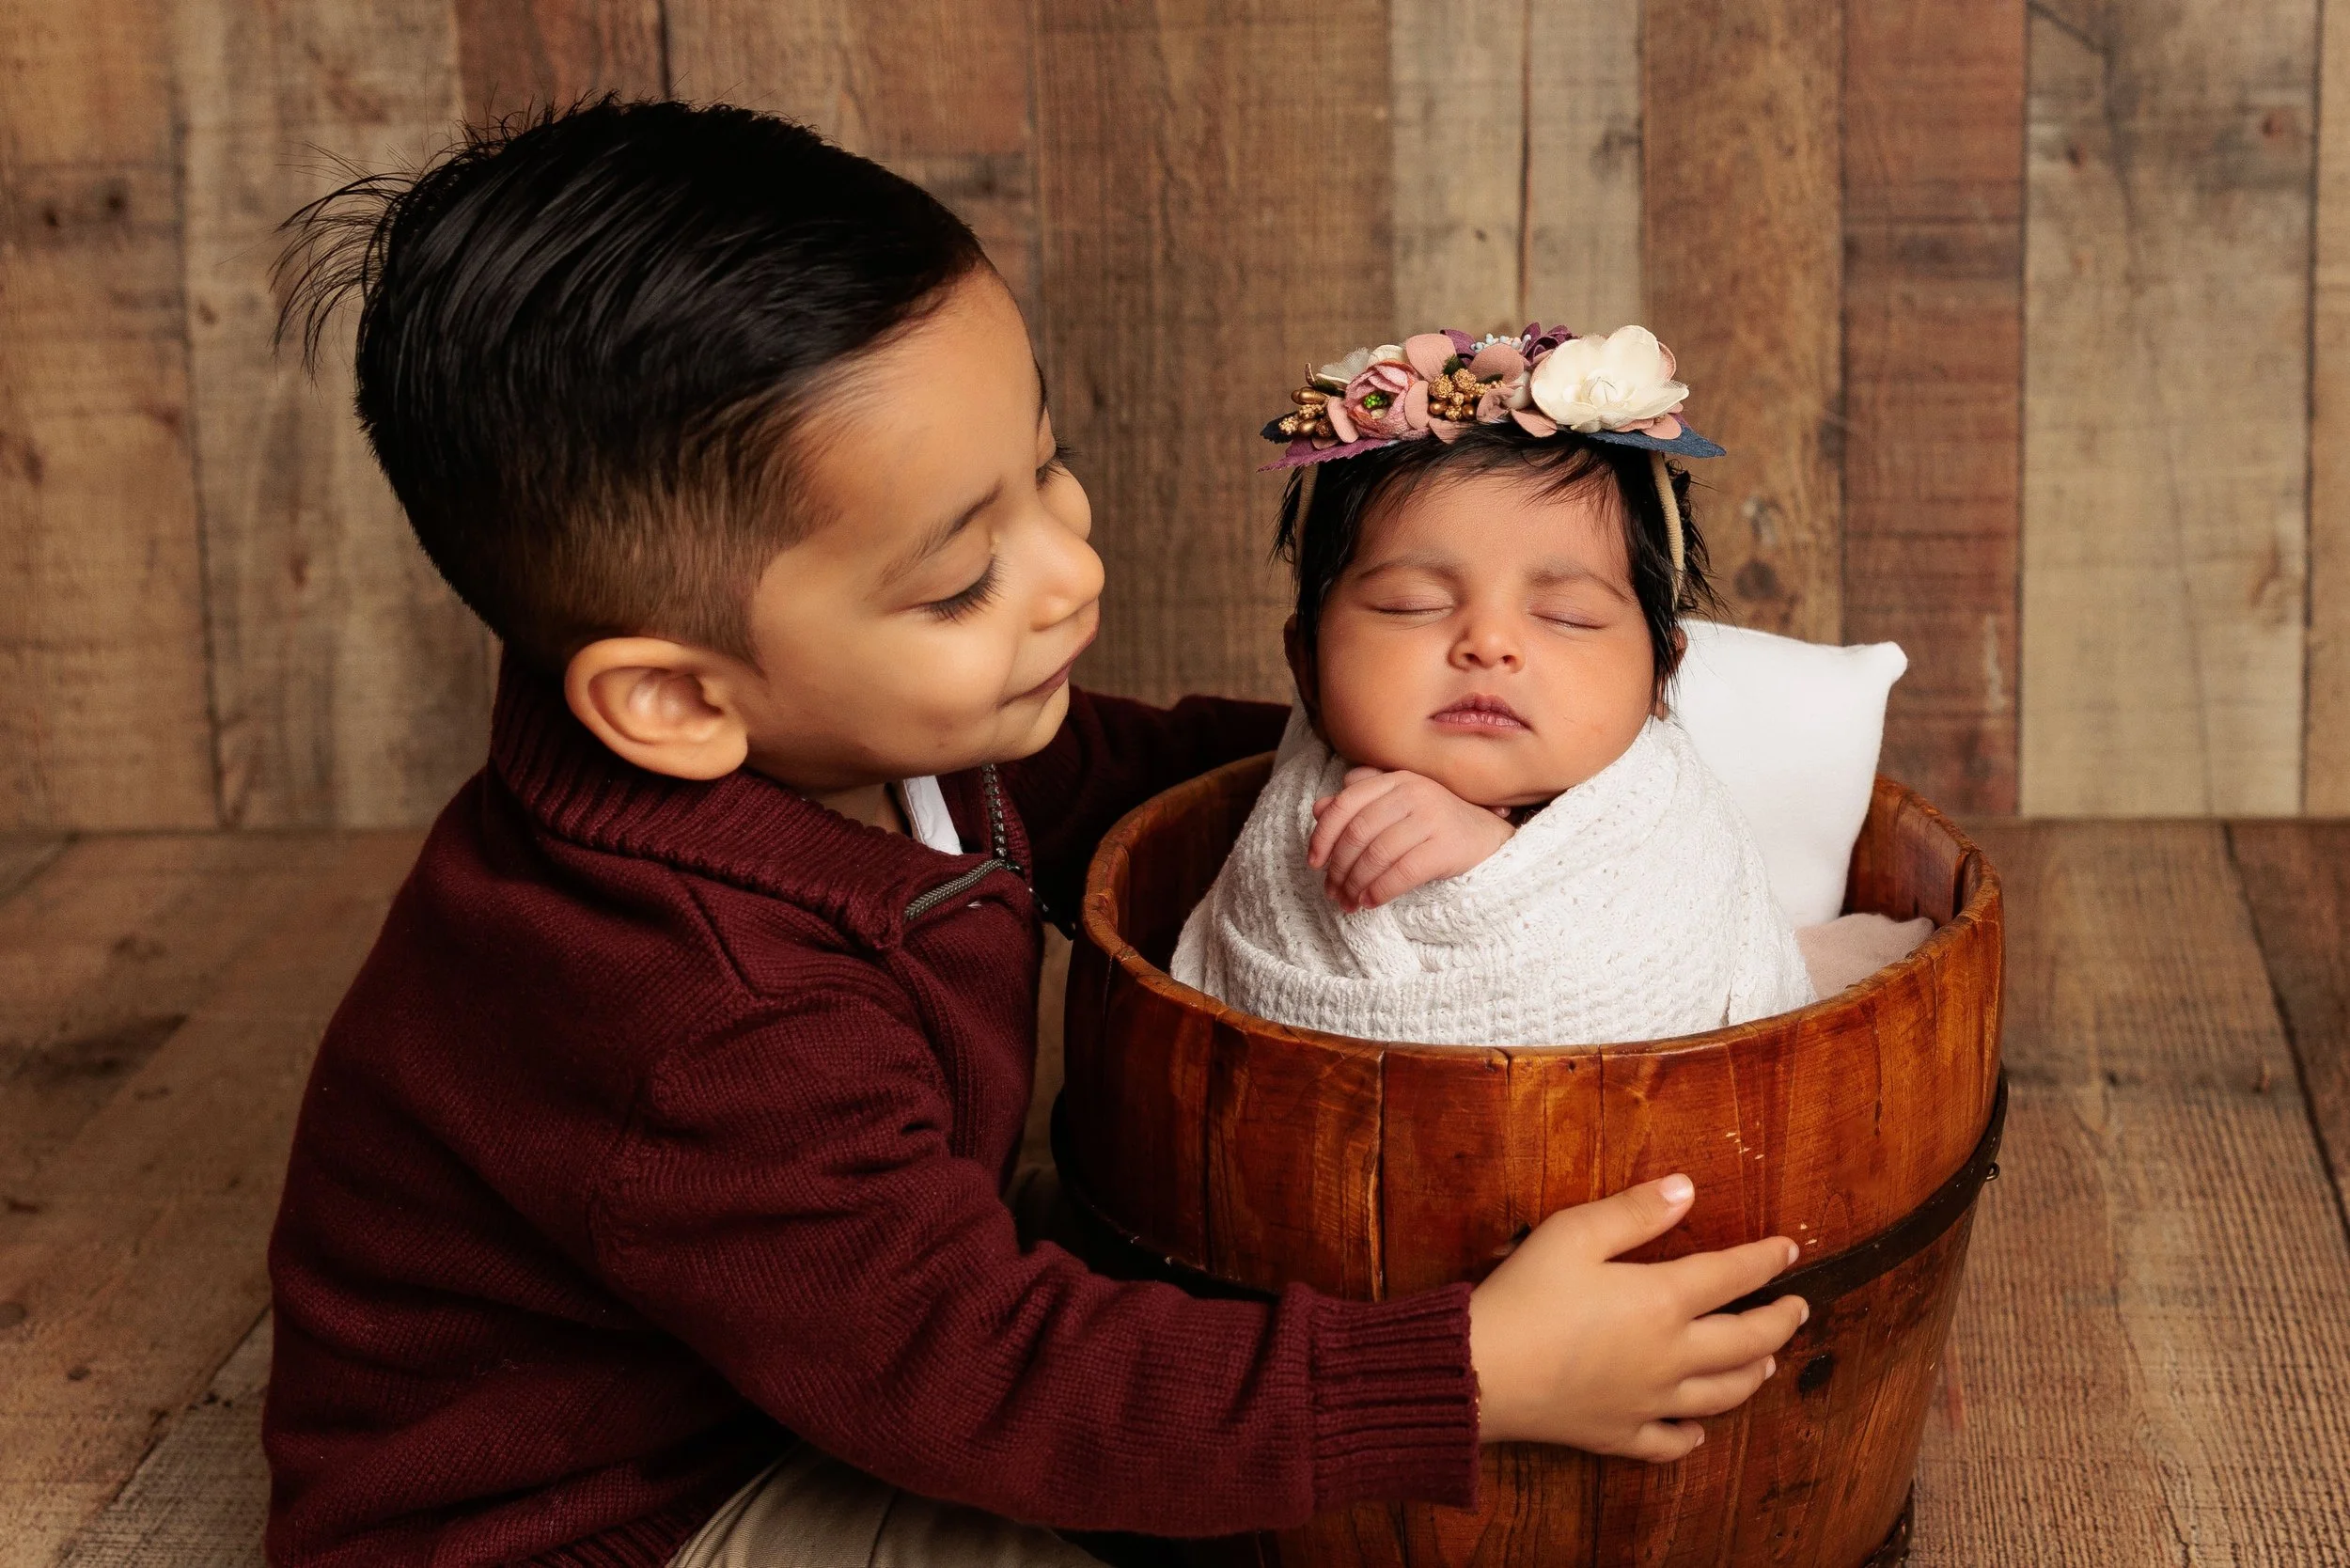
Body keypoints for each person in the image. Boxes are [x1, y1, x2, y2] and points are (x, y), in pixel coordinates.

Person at [260, 100, 1809, 1568]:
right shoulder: (708, 1015)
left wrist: (1497, 808)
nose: (1067, 570)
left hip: (816, 1352)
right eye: (959, 579)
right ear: (673, 698)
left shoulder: (885, 735)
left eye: (1046, 470)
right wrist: (1469, 1369)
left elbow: (1157, 795)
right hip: (619, 1510)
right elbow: (985, 1379)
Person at [1171, 327, 1819, 1045]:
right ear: (1307, 665)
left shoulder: (1670, 831)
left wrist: (1489, 852)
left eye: (1565, 617)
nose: (1489, 644)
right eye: (1411, 605)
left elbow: (1654, 992)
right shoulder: (1294, 827)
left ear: (1661, 675)